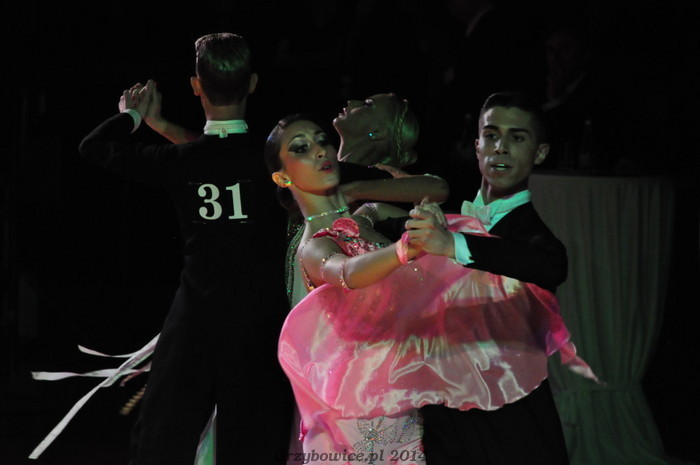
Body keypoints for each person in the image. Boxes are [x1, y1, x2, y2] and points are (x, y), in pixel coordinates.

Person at [266, 112, 596, 465]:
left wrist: (406, 216)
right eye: (301, 148)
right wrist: (402, 250)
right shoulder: (313, 246)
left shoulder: (366, 217)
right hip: (360, 401)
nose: (320, 150)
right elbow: (348, 271)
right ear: (283, 177)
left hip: (402, 390)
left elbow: (435, 190)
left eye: (322, 141)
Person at [78, 33, 293, 465]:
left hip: (196, 319)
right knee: (252, 442)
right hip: (259, 323)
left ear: (196, 86)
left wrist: (133, 116)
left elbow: (94, 147)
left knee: (163, 437)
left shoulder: (182, 162)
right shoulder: (274, 160)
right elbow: (221, 157)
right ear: (252, 84)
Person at [405, 90, 578, 464]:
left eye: (517, 138)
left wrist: (453, 244)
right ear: (477, 146)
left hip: (509, 419)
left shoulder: (534, 240)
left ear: (540, 153)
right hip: (443, 413)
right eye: (492, 135)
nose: (501, 147)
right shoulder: (444, 220)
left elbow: (550, 264)